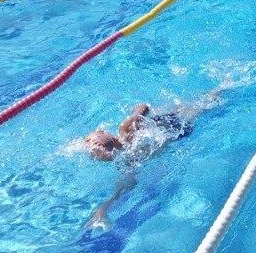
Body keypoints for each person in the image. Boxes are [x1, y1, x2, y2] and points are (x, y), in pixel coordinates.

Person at [82, 88, 223, 228]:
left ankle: (223, 88)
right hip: (172, 126)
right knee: (202, 103)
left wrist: (136, 115)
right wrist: (103, 209)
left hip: (175, 130)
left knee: (202, 105)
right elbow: (143, 106)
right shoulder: (125, 136)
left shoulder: (127, 154)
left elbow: (122, 188)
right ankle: (222, 88)